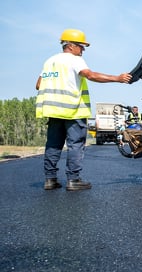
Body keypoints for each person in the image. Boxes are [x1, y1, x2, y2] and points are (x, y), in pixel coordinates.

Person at [36, 29, 132, 190]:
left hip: (53, 111)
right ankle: (73, 180)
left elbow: (38, 84)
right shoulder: (74, 60)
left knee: (53, 145)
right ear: (71, 46)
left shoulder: (49, 61)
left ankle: (50, 180)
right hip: (73, 110)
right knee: (75, 145)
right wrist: (117, 78)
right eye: (82, 46)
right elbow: (90, 75)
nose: (83, 50)